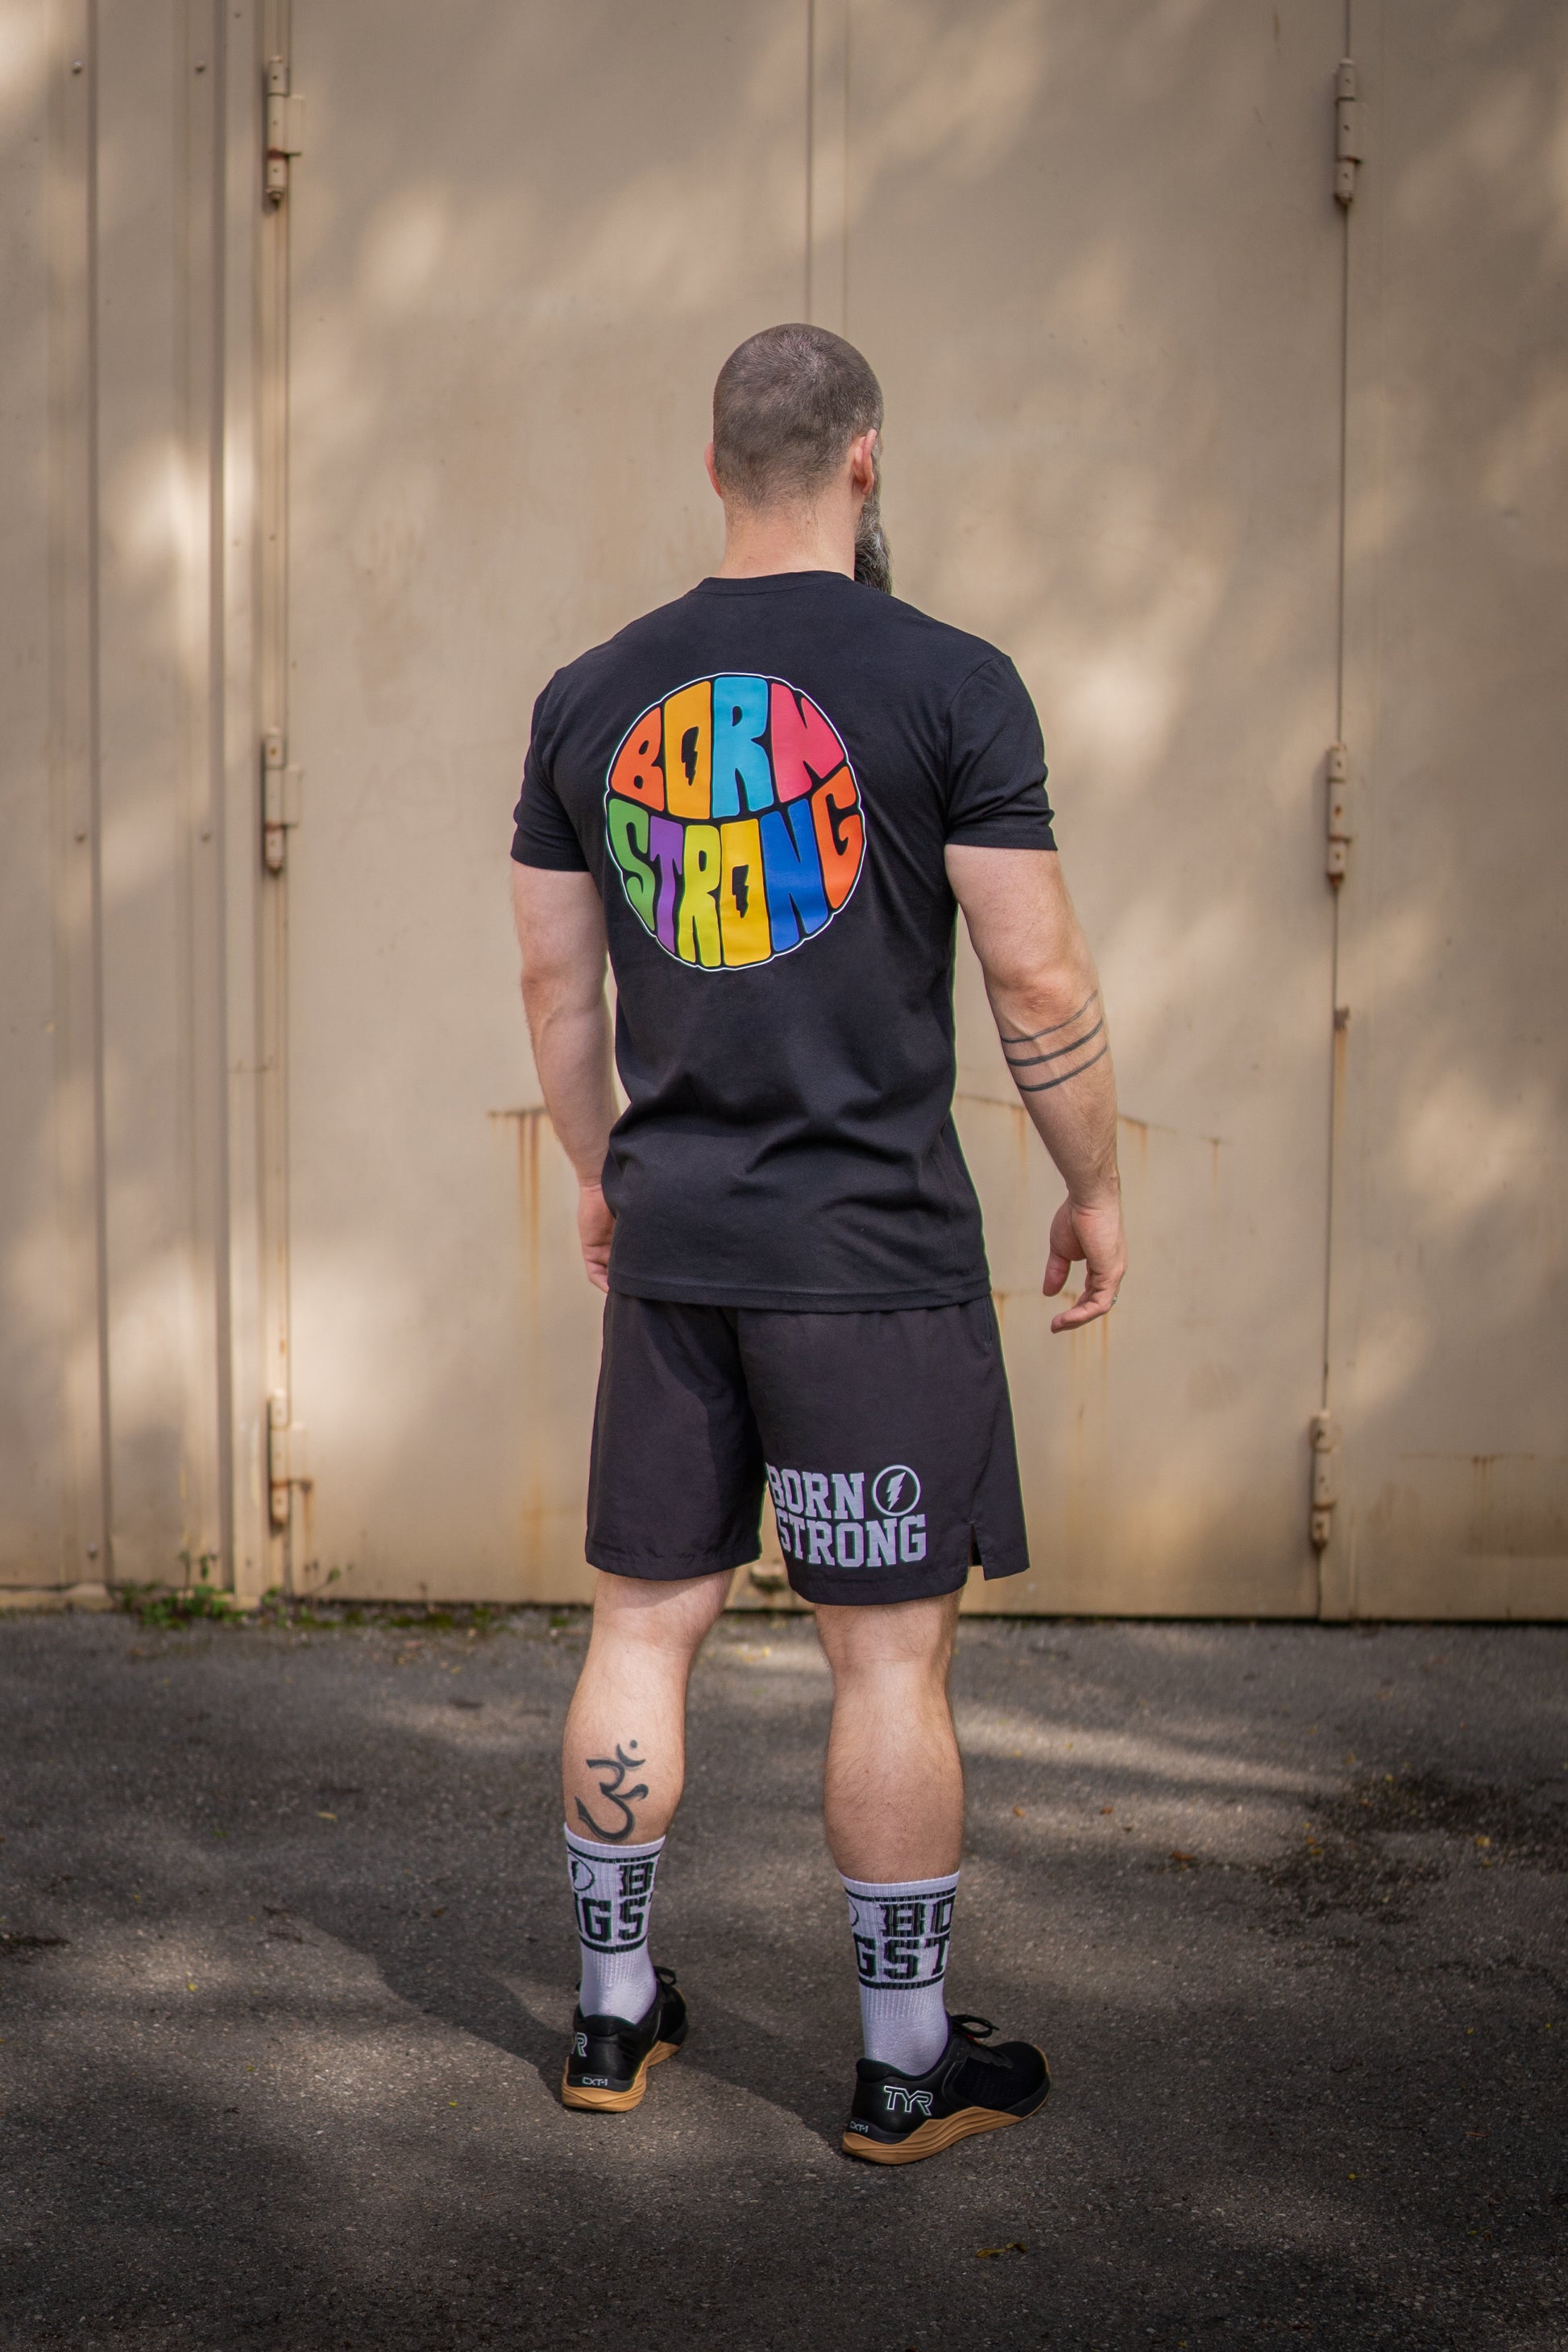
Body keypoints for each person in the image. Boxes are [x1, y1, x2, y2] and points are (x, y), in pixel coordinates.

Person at [509, 323, 1126, 2165]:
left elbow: (555, 986)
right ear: (865, 460)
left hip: (680, 1248)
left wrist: (603, 1169)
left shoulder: (591, 695)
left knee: (642, 1624)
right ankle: (902, 2063)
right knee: (885, 1664)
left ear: (716, 466)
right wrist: (1091, 1181)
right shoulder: (952, 684)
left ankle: (610, 2017)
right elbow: (1035, 976)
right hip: (871, 1258)